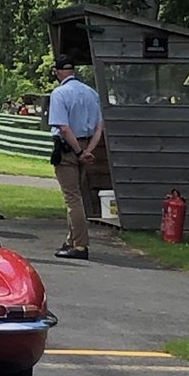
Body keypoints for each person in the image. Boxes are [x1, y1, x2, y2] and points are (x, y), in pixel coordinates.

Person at [48, 54, 104, 261]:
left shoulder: (60, 93)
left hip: (68, 147)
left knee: (72, 197)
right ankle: (71, 238)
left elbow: (63, 127)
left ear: (59, 72)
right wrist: (88, 150)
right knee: (77, 193)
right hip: (86, 142)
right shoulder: (91, 92)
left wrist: (79, 152)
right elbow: (99, 126)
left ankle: (80, 244)